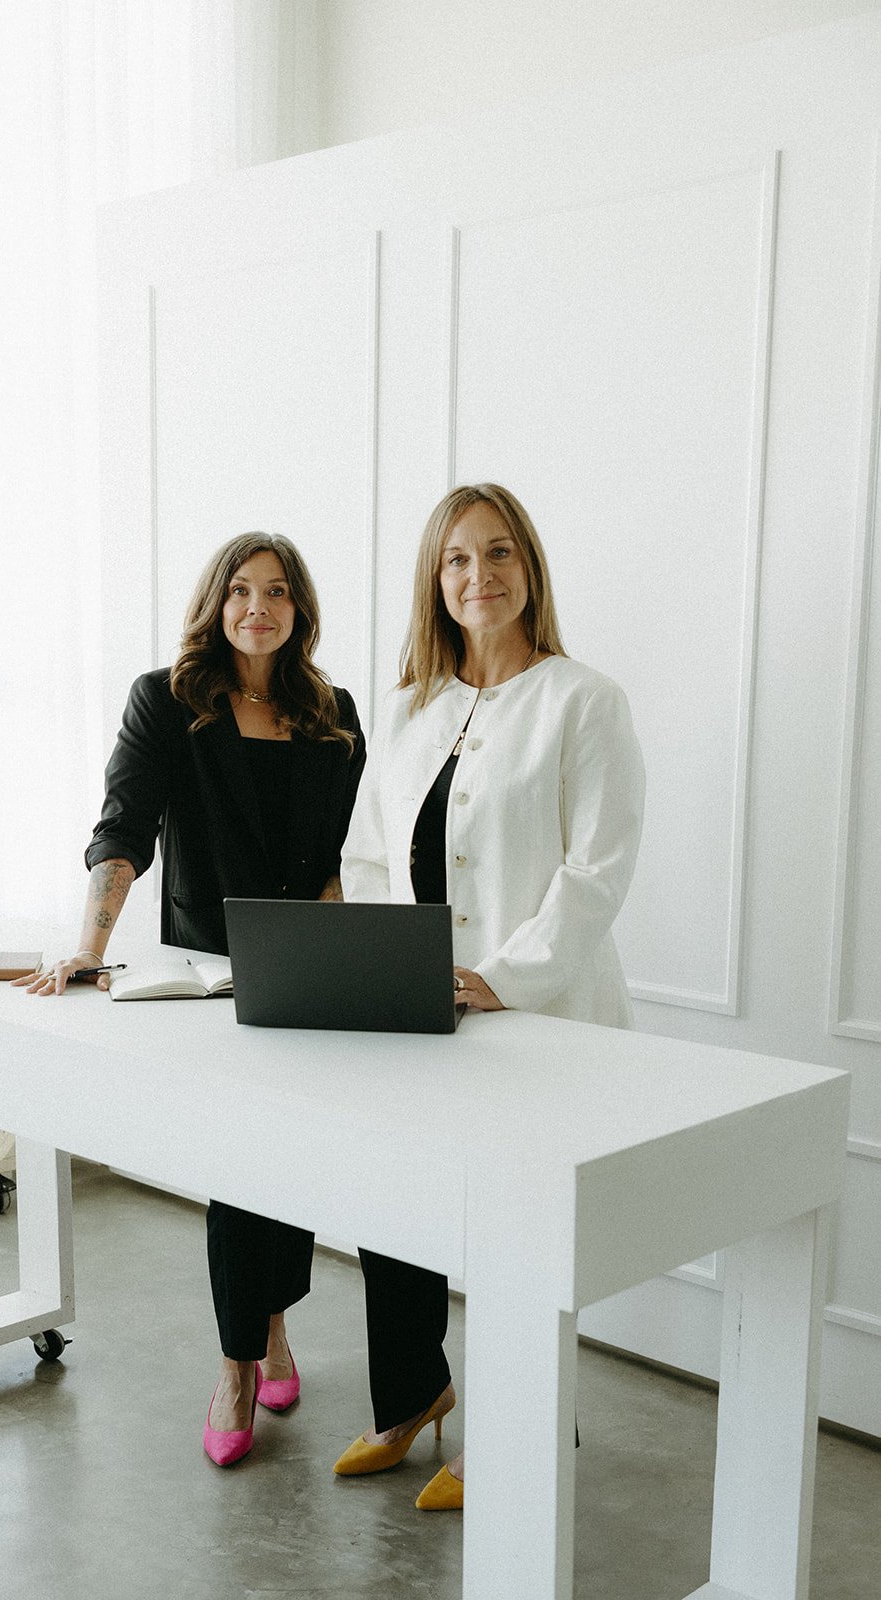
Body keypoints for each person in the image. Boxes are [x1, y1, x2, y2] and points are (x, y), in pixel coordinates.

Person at [15, 533, 365, 1467]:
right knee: (239, 1165)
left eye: (279, 591)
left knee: (288, 1157)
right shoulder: (167, 702)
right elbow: (122, 827)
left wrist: (338, 965)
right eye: (241, 589)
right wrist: (90, 949)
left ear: (301, 609)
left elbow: (335, 860)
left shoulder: (334, 715)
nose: (259, 606)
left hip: (306, 970)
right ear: (216, 602)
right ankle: (236, 1363)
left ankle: (272, 1333)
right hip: (208, 975)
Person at [332, 483, 644, 1510]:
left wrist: (500, 978)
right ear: (436, 581)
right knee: (395, 1202)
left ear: (529, 568)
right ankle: (412, 1394)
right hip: (417, 1010)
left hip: (534, 1017)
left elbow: (595, 872)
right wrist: (389, 968)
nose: (479, 575)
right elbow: (370, 854)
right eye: (457, 559)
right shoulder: (409, 708)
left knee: (522, 1230)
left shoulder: (582, 700)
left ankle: (521, 1425)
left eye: (498, 552)